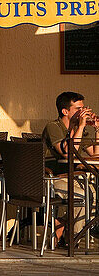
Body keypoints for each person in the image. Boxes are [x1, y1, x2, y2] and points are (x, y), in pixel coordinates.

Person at [42, 91, 98, 245]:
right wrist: (79, 126)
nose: (83, 112)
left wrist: (97, 129)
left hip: (72, 176)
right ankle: (73, 239)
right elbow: (67, 152)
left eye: (83, 108)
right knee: (81, 195)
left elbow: (94, 154)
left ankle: (69, 232)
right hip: (52, 177)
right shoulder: (53, 127)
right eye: (78, 109)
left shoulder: (80, 129)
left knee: (93, 192)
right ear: (65, 111)